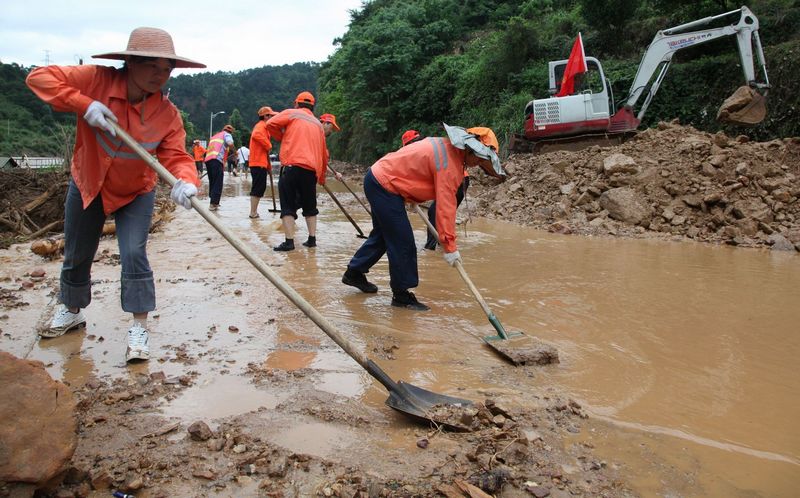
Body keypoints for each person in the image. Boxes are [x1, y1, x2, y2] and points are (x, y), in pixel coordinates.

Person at [25, 27, 204, 362]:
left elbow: (177, 157)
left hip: (136, 190)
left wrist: (186, 180)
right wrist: (83, 103)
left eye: (166, 69)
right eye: (152, 65)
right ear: (130, 62)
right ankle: (72, 310)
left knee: (134, 253)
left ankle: (138, 327)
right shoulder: (96, 80)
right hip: (89, 181)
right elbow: (39, 78)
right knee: (78, 251)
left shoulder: (167, 115)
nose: (159, 75)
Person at [342, 124, 505, 311]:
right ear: (469, 149)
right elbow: (445, 209)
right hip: (384, 184)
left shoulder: (447, 149)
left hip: (379, 179)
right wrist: (450, 247)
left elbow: (416, 170)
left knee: (383, 236)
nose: (478, 164)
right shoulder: (450, 164)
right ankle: (401, 295)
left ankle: (354, 273)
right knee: (403, 241)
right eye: (480, 158)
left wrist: (409, 194)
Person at [266, 91, 329, 251]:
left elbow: (270, 124)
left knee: (287, 205)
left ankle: (289, 242)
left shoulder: (292, 113)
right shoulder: (317, 124)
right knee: (310, 206)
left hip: (292, 166)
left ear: (296, 103)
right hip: (310, 171)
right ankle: (312, 239)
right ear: (312, 107)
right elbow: (323, 154)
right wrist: (321, 178)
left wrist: (282, 137)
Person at [422, 127, 495, 250]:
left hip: (461, 180)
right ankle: (440, 243)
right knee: (437, 211)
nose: (477, 163)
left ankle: (433, 246)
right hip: (461, 180)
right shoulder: (446, 151)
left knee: (437, 211)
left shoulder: (449, 154)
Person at [248, 106, 278, 218]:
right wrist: (268, 144)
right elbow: (256, 135)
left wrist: (269, 167)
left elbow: (265, 152)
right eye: (271, 116)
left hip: (261, 163)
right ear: (265, 116)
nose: (272, 118)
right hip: (257, 163)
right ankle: (253, 213)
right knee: (258, 188)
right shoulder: (261, 126)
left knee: (260, 187)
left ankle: (254, 212)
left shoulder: (265, 128)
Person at [204, 124, 235, 211]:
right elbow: (230, 143)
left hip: (208, 160)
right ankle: (213, 204)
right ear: (230, 132)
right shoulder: (227, 135)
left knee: (213, 181)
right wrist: (235, 151)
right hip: (216, 160)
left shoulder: (215, 136)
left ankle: (213, 201)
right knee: (218, 182)